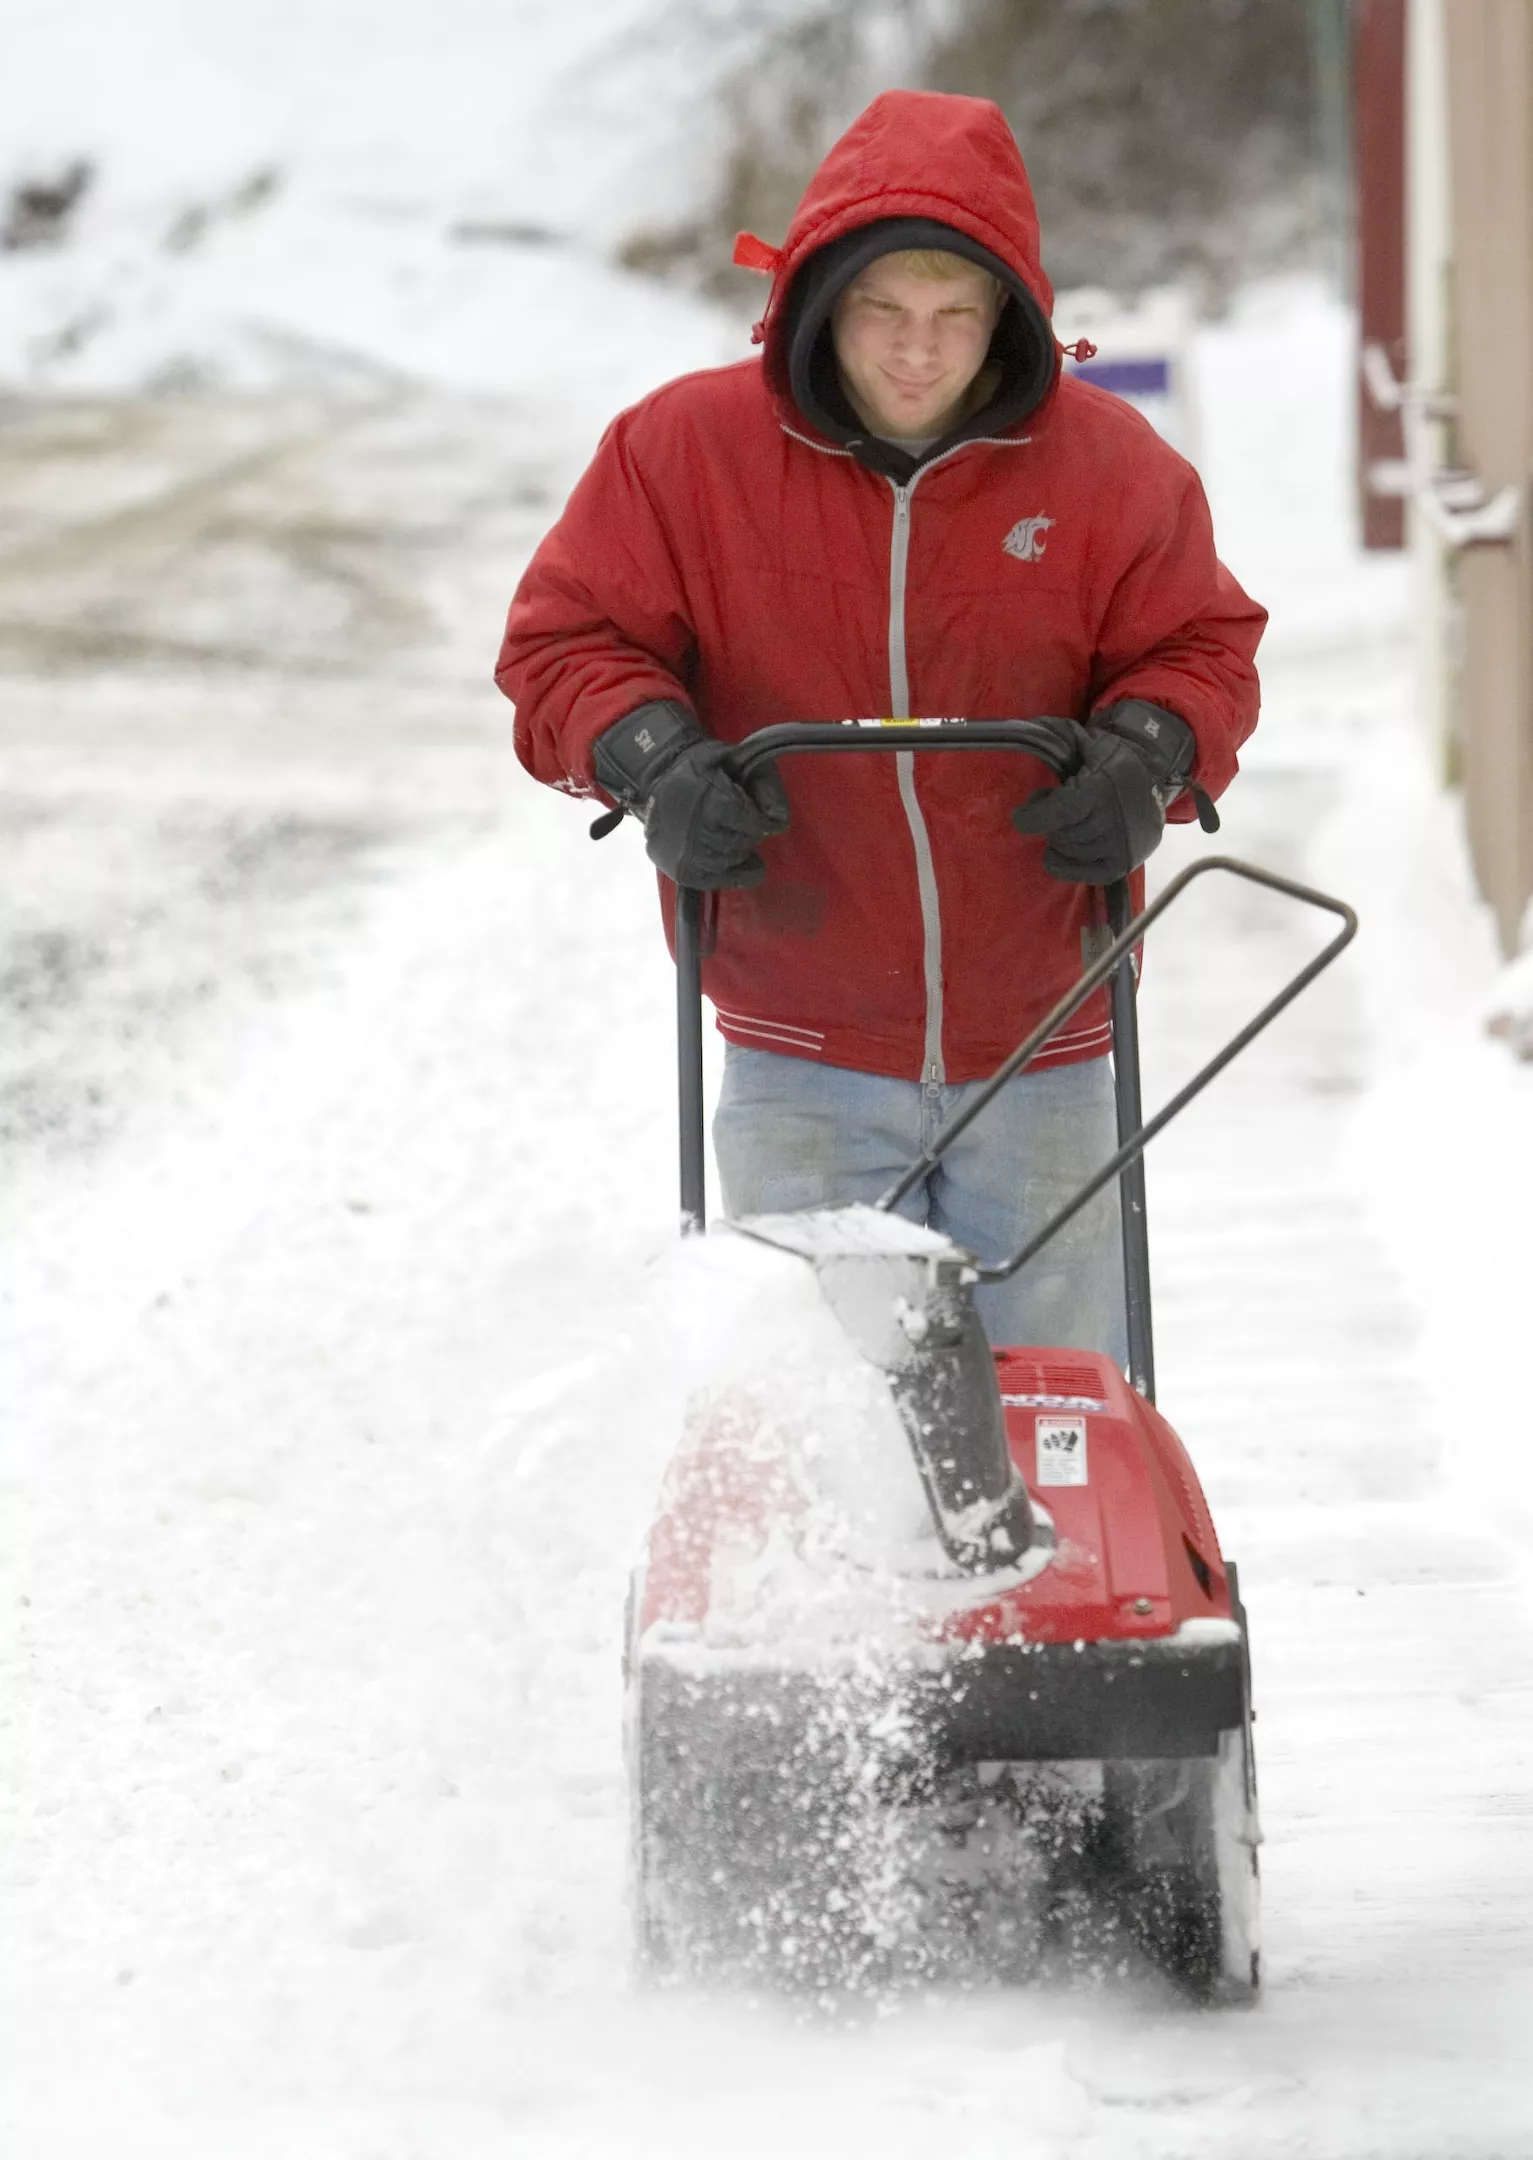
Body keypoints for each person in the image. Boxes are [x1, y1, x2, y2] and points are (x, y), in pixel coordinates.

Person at [495, 89, 1265, 1364]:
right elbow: (565, 645)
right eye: (885, 314)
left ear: (1011, 316)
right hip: (801, 1036)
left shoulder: (1113, 471)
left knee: (1057, 1406)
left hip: (1048, 1031)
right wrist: (654, 762)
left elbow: (1199, 648)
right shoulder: (683, 453)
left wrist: (1147, 754)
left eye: (958, 317)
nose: (920, 352)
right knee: (831, 1431)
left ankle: (1069, 1572)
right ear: (818, 303)